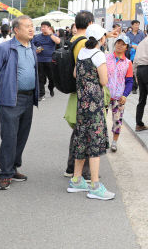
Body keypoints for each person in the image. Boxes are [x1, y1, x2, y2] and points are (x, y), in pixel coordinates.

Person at [0, 16, 39, 190]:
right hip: (10, 98)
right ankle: (5, 173)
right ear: (16, 30)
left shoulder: (31, 47)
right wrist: (1, 93)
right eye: (27, 26)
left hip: (28, 97)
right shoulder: (4, 48)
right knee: (9, 136)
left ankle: (13, 167)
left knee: (22, 135)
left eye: (32, 26)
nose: (31, 29)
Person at [66, 24, 114, 200]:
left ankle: (76, 180)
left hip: (82, 104)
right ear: (101, 39)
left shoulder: (81, 53)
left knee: (81, 139)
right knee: (94, 142)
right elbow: (103, 80)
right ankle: (95, 185)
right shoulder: (98, 54)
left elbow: (74, 74)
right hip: (94, 104)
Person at [64, 11, 94, 179]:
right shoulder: (84, 43)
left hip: (77, 91)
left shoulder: (73, 40)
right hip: (85, 92)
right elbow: (84, 70)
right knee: (86, 131)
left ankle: (70, 167)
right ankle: (84, 171)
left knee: (78, 131)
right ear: (90, 24)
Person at [105, 35, 134, 153]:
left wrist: (125, 95)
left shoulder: (128, 63)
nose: (119, 45)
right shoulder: (106, 58)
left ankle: (114, 142)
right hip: (105, 95)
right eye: (118, 43)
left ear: (126, 47)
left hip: (119, 97)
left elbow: (130, 81)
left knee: (117, 121)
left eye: (123, 44)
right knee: (101, 119)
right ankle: (103, 140)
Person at [32, 21, 60, 100]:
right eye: (42, 27)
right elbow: (32, 46)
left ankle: (51, 88)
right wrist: (36, 49)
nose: (43, 28)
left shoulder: (53, 35)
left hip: (50, 60)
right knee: (41, 78)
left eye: (45, 27)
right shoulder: (37, 37)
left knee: (52, 78)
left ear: (49, 28)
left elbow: (58, 41)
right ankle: (41, 94)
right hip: (40, 60)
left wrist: (50, 33)